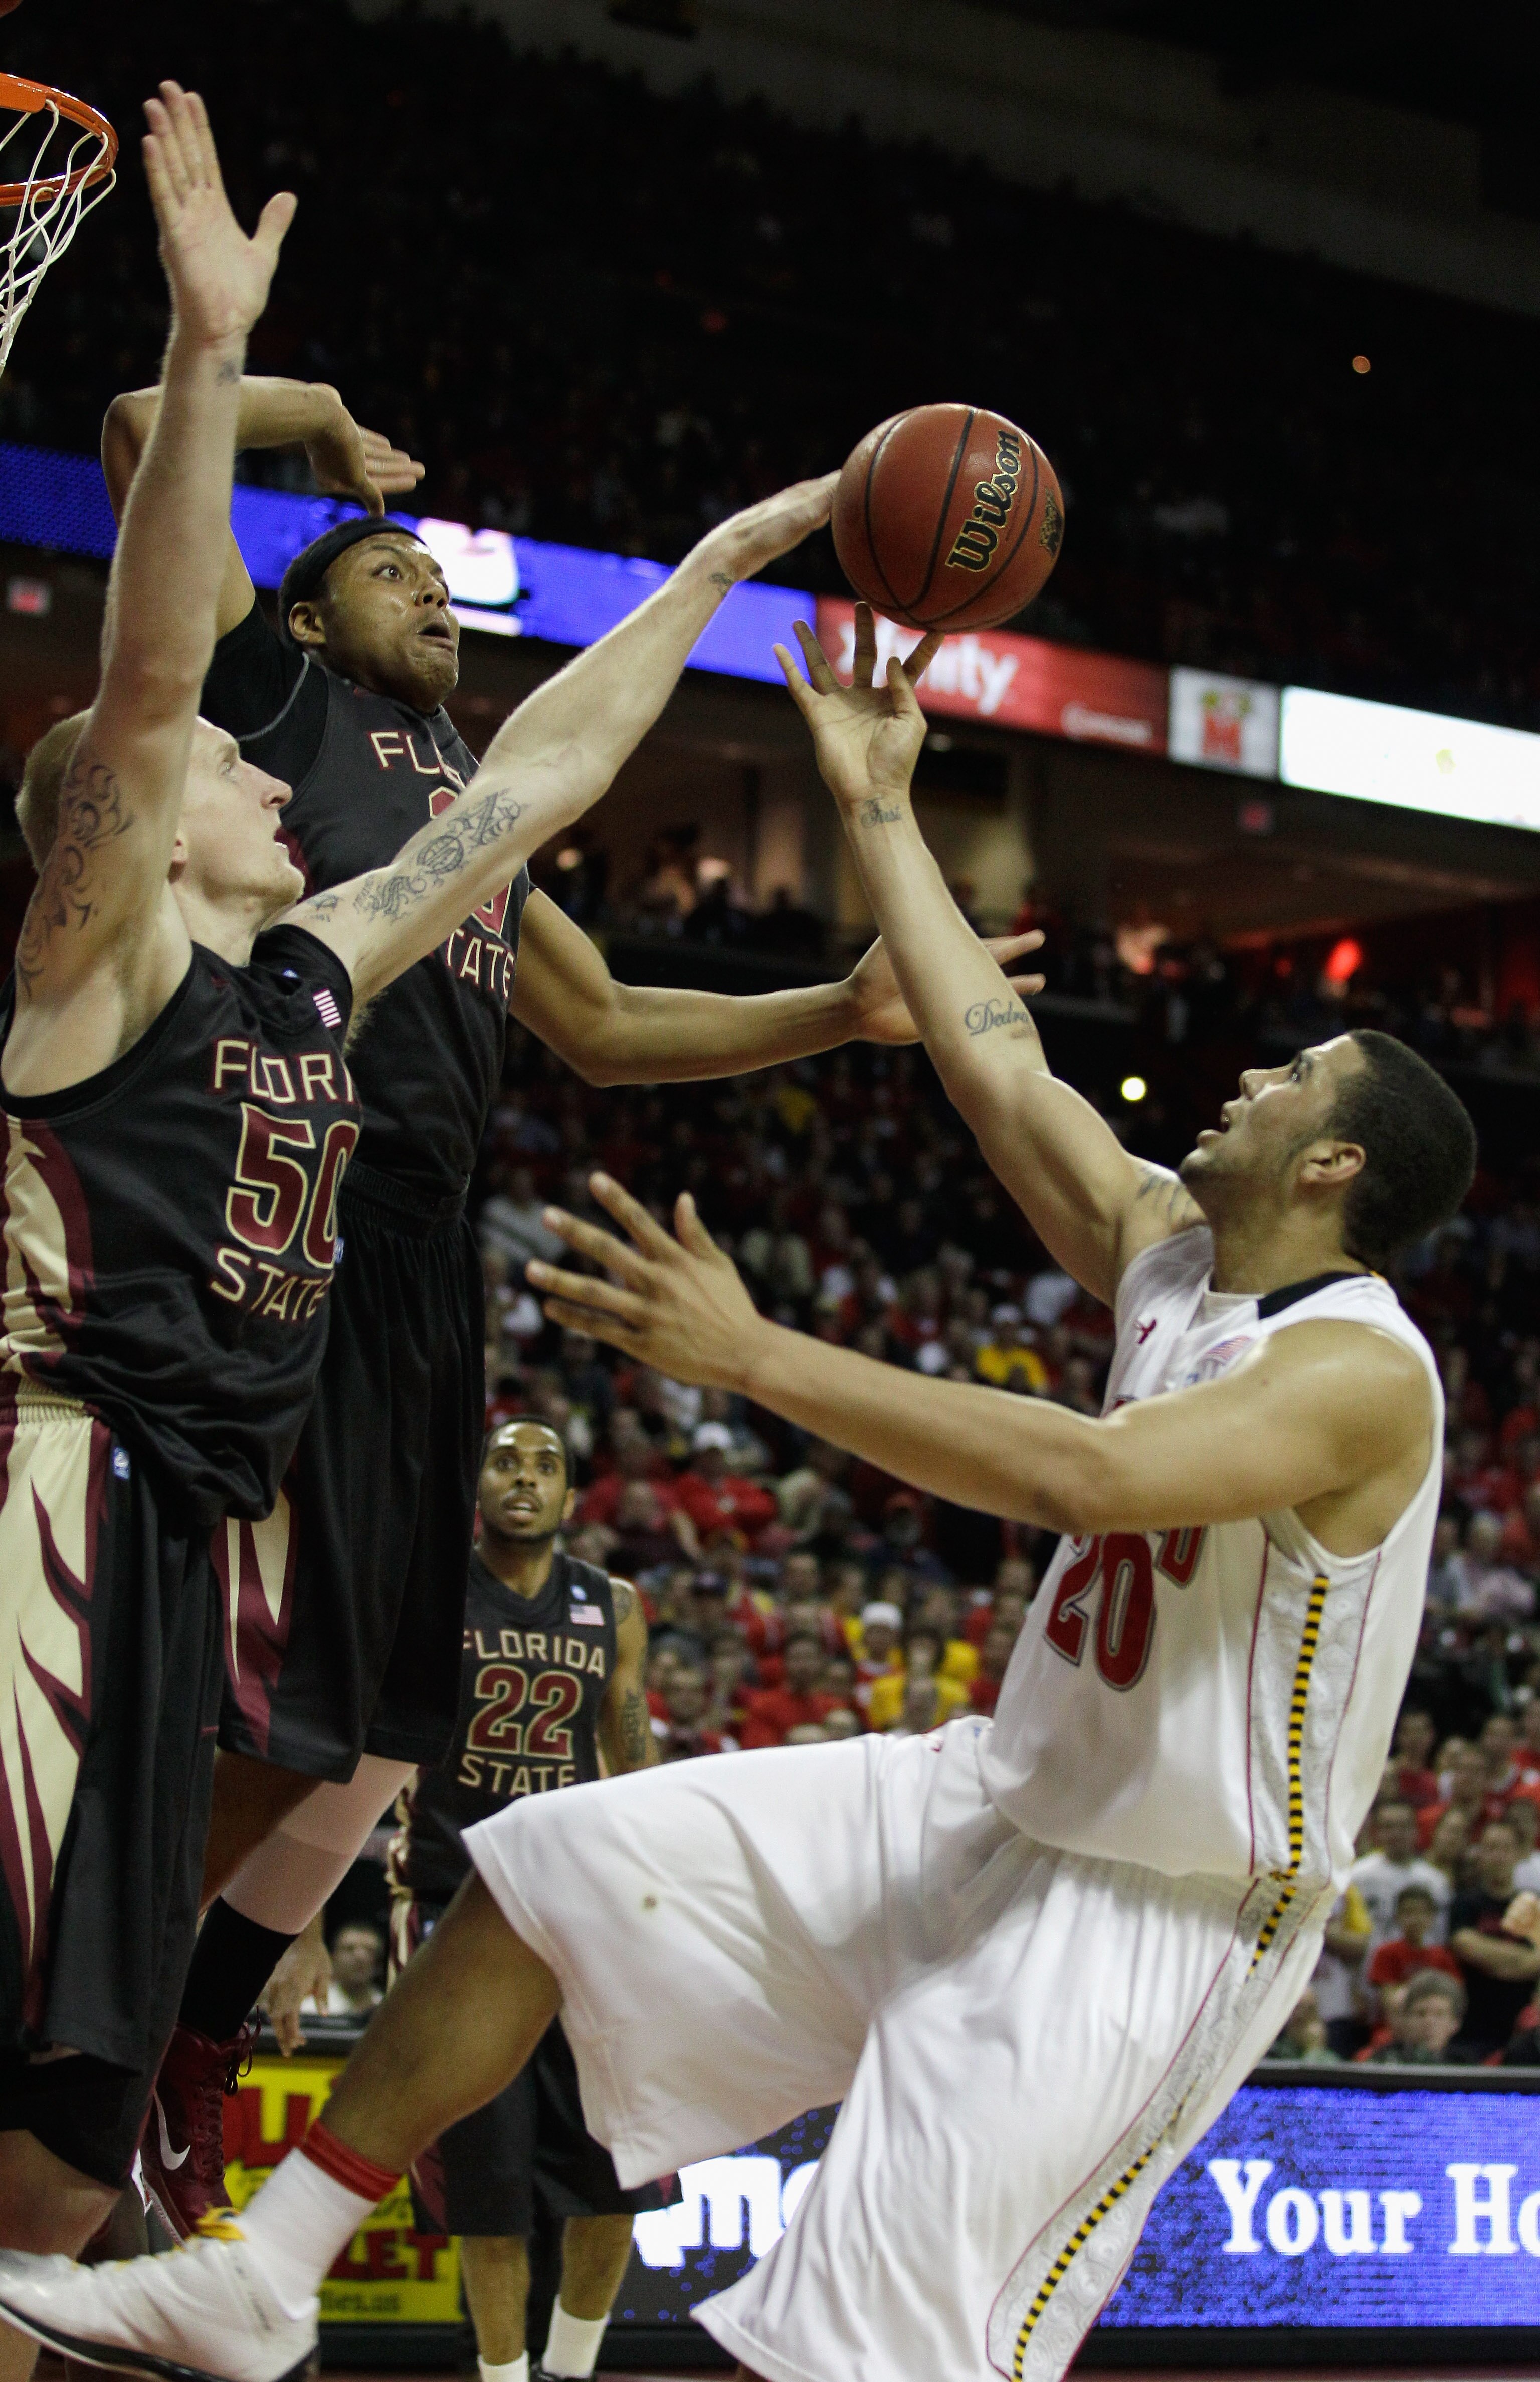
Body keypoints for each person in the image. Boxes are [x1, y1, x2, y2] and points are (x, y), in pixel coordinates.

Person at [0, 614, 1478, 2382]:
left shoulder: (1360, 1371)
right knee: (548, 1872)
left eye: (1293, 1081)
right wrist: (877, 813)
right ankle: (263, 2275)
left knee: (877, 2348)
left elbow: (1084, 1470)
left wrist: (756, 1353)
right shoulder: (1173, 1255)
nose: (1247, 1076)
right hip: (986, 1801)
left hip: (1156, 1905)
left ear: (1331, 1166)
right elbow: (998, 1062)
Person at [103, 365, 1044, 2232]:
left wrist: (840, 1012)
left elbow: (605, 1027)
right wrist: (316, 421)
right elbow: (145, 429)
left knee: (389, 1725)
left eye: (449, 593)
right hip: (294, 1215)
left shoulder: (477, 801)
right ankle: (114, 2024)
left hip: (434, 1269)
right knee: (279, 1711)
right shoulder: (272, 704)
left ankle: (194, 2037)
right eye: (396, 579)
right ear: (305, 609)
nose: (432, 605)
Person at [0, 80, 758, 2296]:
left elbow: (565, 919)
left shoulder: (369, 910)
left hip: (330, 1313)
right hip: (112, 1414)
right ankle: (124, 2105)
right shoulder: (212, 774)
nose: (435, 588)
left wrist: (722, 578)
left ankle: (146, 2093)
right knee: (257, 1774)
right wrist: (272, 389)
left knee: (356, 1776)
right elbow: (151, 573)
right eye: (399, 573)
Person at [388, 1417, 666, 2382]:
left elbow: (630, 1755)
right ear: (480, 1485)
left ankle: (571, 2372)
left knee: (618, 2169)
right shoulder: (429, 1595)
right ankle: (502, 2377)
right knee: (488, 2183)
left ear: (571, 1496)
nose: (524, 1477)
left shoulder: (612, 1604)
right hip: (456, 1905)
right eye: (505, 1459)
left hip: (580, 1908)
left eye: (546, 1465)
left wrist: (657, 1887)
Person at [1448, 1823, 1540, 2057]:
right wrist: (1523, 1960)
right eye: (1491, 1848)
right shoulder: (1465, 1902)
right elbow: (1465, 1945)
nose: (1498, 1856)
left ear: (1520, 1854)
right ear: (1480, 1854)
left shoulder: (1532, 1904)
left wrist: (1493, 1959)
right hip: (1473, 2025)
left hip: (1525, 2026)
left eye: (1506, 1848)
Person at [1348, 1800, 1450, 1952]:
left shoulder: (1435, 1881)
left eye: (1403, 1827)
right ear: (1376, 1832)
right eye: (1388, 1827)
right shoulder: (1357, 1875)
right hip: (1366, 1968)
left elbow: (1439, 1936)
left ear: (1416, 1830)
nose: (1396, 1833)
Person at [1363, 1969, 1466, 2065]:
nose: (1429, 2022)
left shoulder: (1467, 2066)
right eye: (1421, 2013)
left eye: (1439, 2014)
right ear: (1406, 2018)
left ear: (1455, 2023)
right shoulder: (1381, 2063)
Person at [300, 1928, 383, 2019]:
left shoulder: (387, 2006)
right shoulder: (310, 2008)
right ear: (332, 1958)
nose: (360, 1957)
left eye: (370, 1951)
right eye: (349, 1949)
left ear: (379, 1963)